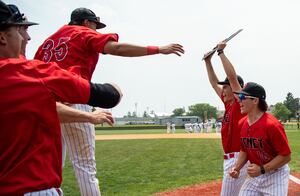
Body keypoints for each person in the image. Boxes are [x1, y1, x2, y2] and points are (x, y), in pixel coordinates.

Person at [34, 7, 184, 196]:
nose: (95, 30)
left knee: (52, 166)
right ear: (87, 23)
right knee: (85, 167)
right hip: (74, 97)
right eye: (95, 25)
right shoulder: (82, 32)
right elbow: (116, 48)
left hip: (46, 104)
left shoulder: (48, 42)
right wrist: (158, 49)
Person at [0, 1, 121, 194]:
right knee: (85, 166)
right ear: (2, 37)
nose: (26, 37)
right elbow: (108, 95)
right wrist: (114, 92)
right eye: (19, 30)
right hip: (33, 189)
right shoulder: (34, 73)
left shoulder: (33, 65)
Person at [7, 4, 115, 126]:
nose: (27, 37)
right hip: (71, 99)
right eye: (22, 30)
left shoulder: (44, 48)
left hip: (61, 102)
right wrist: (90, 115)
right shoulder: (21, 73)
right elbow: (107, 95)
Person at [230, 82, 291, 195]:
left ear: (255, 100)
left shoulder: (272, 125)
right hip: (255, 174)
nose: (239, 100)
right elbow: (244, 149)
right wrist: (237, 168)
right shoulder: (242, 123)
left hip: (275, 174)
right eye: (239, 97)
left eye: (243, 97)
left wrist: (262, 169)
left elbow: (286, 156)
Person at [203, 41, 247, 196]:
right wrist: (208, 62)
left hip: (238, 159)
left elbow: (232, 77)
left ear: (236, 89)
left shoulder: (239, 102)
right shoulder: (229, 105)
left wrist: (221, 53)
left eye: (226, 86)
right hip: (231, 158)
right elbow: (214, 84)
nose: (223, 89)